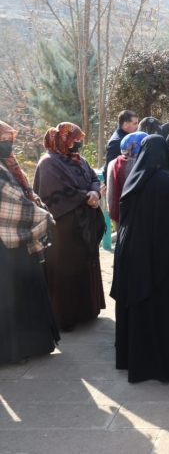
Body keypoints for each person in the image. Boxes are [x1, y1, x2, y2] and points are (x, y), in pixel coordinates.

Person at [111, 135, 169, 383]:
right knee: (164, 309)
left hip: (134, 255)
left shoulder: (133, 179)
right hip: (165, 259)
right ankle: (168, 361)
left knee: (142, 307)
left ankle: (139, 359)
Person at [34, 122, 105, 332]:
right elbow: (56, 192)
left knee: (85, 265)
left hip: (84, 223)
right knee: (64, 270)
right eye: (75, 139)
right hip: (63, 227)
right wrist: (86, 197)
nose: (79, 143)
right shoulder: (48, 163)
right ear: (62, 140)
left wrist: (94, 193)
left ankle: (86, 311)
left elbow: (93, 178)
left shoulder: (78, 159)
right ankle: (65, 317)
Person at [0, 121, 59, 365]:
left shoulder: (10, 164)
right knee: (8, 298)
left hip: (20, 245)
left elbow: (27, 194)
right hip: (4, 245)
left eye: (9, 139)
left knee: (28, 292)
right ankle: (11, 352)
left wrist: (36, 208)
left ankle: (35, 345)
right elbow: (9, 203)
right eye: (3, 139)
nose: (8, 143)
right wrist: (42, 216)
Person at [106, 131, 147, 224]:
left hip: (120, 213)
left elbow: (111, 191)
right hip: (139, 217)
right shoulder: (140, 164)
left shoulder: (113, 163)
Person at [103, 110, 139, 188]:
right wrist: (108, 184)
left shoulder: (129, 137)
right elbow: (110, 165)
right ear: (125, 125)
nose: (137, 126)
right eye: (135, 123)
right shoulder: (116, 141)